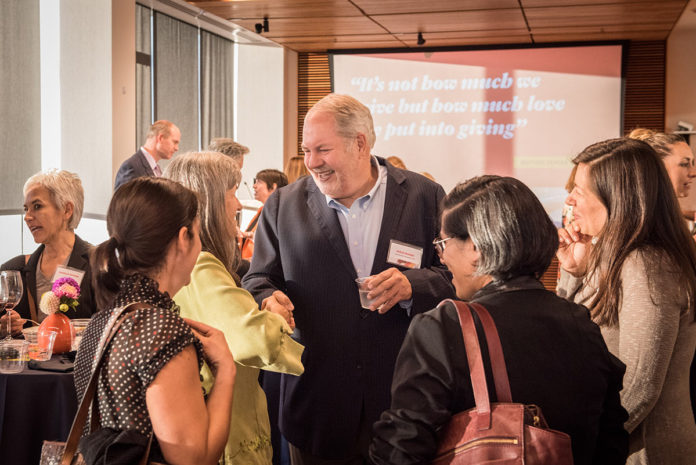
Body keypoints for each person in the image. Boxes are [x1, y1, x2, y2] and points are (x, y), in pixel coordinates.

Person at [243, 93, 453, 464]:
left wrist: (412, 286)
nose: (311, 163)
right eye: (306, 150)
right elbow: (258, 277)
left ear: (360, 143)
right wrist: (267, 298)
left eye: (322, 150)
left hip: (403, 401)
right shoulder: (283, 205)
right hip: (316, 404)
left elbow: (454, 275)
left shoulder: (424, 196)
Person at [370, 175, 629, 465]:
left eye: (443, 243)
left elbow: (401, 448)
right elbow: (611, 440)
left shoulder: (444, 327)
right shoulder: (581, 323)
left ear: (477, 247)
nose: (441, 257)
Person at [75, 177, 236, 465]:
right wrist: (225, 371)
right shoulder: (162, 329)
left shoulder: (104, 320)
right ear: (184, 238)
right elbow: (194, 460)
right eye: (199, 235)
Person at [557, 138, 696, 464]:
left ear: (617, 198)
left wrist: (584, 446)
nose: (569, 199)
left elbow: (640, 387)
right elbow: (564, 337)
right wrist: (574, 272)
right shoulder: (612, 253)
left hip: (640, 452)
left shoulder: (646, 264)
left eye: (580, 189)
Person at [165, 152, 304, 465]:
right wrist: (278, 320)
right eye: (232, 194)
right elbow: (254, 339)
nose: (239, 205)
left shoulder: (191, 264)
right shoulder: (201, 266)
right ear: (210, 203)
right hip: (226, 441)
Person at [1, 169, 95, 334]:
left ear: (67, 210)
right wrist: (5, 328)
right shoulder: (14, 271)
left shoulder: (99, 265)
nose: (27, 217)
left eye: (37, 206)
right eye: (26, 209)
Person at [114, 120, 181, 191]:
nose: (177, 148)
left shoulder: (156, 168)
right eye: (175, 142)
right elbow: (124, 201)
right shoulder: (131, 166)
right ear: (160, 138)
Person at [241, 169, 288, 260]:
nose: (254, 186)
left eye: (259, 182)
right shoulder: (263, 209)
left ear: (274, 187)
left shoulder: (281, 212)